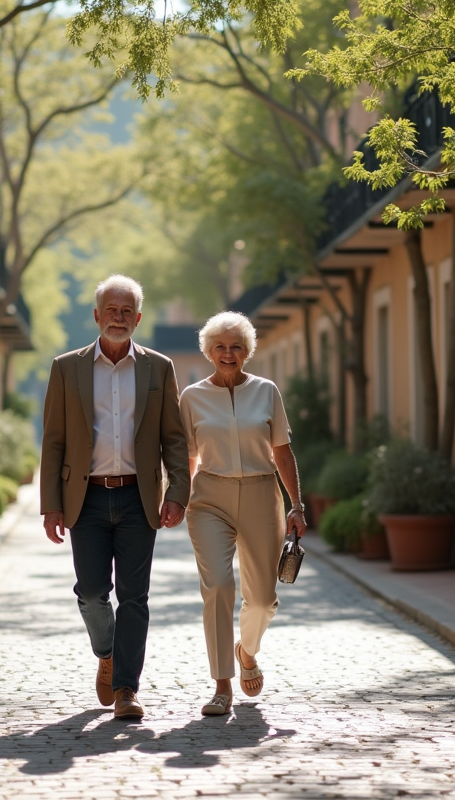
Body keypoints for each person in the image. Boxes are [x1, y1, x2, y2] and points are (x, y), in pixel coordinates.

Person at [40, 274, 190, 720]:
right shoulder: (66, 368)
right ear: (96, 315)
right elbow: (54, 440)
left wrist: (177, 491)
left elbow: (173, 437)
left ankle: (127, 689)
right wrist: (51, 504)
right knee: (91, 593)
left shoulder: (159, 368)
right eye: (112, 310)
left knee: (134, 597)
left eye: (127, 311)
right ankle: (106, 652)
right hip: (84, 498)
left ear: (138, 318)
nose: (119, 318)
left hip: (137, 498)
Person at [179, 311, 307, 716]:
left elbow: (282, 452)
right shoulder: (192, 397)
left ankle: (247, 651)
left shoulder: (267, 391)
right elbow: (187, 458)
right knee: (217, 587)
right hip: (209, 498)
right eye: (220, 346)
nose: (228, 353)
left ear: (247, 351)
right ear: (208, 351)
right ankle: (222, 685)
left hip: (260, 494)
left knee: (263, 600)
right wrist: (176, 499)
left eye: (236, 346)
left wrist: (297, 505)